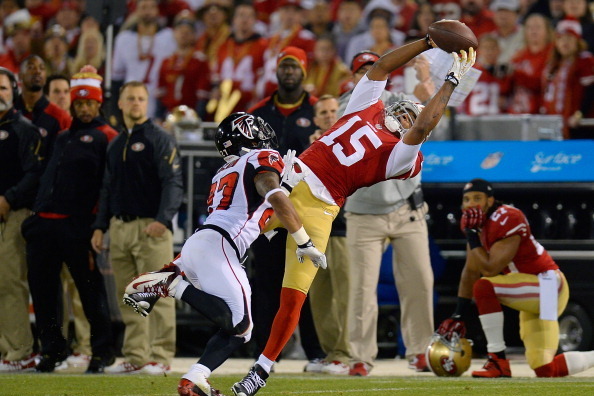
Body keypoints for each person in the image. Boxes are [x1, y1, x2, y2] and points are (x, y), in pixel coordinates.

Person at [232, 37, 476, 395]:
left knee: (294, 296)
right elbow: (381, 67)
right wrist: (425, 41)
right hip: (290, 178)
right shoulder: (365, 105)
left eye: (412, 117)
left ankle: (261, 369)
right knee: (223, 231)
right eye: (404, 110)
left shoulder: (404, 156)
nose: (405, 117)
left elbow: (423, 127)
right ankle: (173, 276)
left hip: (320, 209)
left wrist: (450, 82)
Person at [122, 112, 326, 396]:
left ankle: (194, 379)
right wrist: (303, 241)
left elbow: (256, 216)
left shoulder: (225, 171)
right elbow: (272, 197)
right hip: (220, 246)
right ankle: (171, 285)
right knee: (240, 323)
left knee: (241, 329)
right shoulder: (262, 157)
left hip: (205, 243)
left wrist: (287, 185)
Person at [436, 178, 594, 378]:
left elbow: (490, 269)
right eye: (466, 199)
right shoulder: (478, 226)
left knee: (485, 287)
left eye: (477, 198)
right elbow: (470, 271)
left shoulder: (508, 217)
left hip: (546, 284)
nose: (471, 204)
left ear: (490, 201)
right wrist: (458, 313)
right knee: (545, 369)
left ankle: (497, 360)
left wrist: (471, 235)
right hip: (528, 288)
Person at [338, 52, 434, 377]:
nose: (370, 75)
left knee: (420, 281)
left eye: (374, 69)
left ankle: (421, 350)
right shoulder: (345, 108)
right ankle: (360, 357)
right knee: (362, 288)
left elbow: (435, 123)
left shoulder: (402, 99)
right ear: (354, 79)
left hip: (408, 207)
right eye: (363, 71)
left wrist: (427, 87)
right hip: (364, 211)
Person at [23, 66, 117, 374]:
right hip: (45, 224)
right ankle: (52, 349)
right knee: (44, 293)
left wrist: (98, 224)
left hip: (78, 225)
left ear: (99, 103)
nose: (85, 108)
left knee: (90, 292)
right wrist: (36, 216)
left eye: (90, 103)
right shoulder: (62, 137)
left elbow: (108, 185)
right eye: (80, 104)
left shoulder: (108, 137)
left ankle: (102, 352)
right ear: (73, 105)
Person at [91, 81, 183, 374]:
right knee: (130, 295)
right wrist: (100, 226)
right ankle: (135, 356)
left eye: (141, 99)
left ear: (147, 103)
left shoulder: (160, 138)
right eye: (130, 98)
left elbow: (173, 182)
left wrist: (163, 219)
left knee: (157, 293)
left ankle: (161, 356)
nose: (135, 103)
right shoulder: (116, 143)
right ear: (120, 104)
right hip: (120, 227)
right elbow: (107, 187)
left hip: (150, 227)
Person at [248, 46, 326, 372]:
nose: (289, 71)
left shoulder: (318, 112)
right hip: (267, 212)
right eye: (285, 66)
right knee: (265, 284)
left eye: (295, 66)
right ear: (277, 71)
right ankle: (267, 356)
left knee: (301, 284)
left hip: (303, 210)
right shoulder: (258, 113)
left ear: (304, 71)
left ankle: (315, 352)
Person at [0, 67, 43, 373]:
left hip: (13, 216)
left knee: (10, 283)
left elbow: (34, 174)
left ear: (13, 91)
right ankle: (8, 349)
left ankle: (20, 352)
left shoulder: (24, 129)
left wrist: (8, 198)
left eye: (2, 88)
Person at [306, 95, 352, 375]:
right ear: (315, 118)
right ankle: (331, 351)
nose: (328, 115)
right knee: (320, 295)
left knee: (345, 294)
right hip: (315, 229)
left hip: (344, 228)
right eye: (323, 112)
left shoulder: (350, 143)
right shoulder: (308, 147)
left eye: (333, 111)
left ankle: (345, 353)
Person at [111, 0, 176, 117]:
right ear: (136, 10)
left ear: (157, 10)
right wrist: (116, 111)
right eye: (144, 7)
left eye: (151, 7)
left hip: (159, 98)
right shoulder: (124, 38)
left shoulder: (169, 36)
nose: (148, 12)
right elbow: (117, 79)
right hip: (131, 97)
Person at [541, 18, 594, 139]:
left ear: (578, 41)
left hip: (578, 125)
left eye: (569, 38)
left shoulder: (585, 60)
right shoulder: (554, 65)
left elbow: (590, 91)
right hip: (557, 123)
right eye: (561, 38)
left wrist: (579, 114)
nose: (565, 42)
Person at [14, 55, 71, 160]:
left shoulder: (60, 117)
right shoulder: (7, 113)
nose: (37, 71)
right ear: (20, 75)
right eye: (31, 67)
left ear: (45, 78)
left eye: (42, 68)